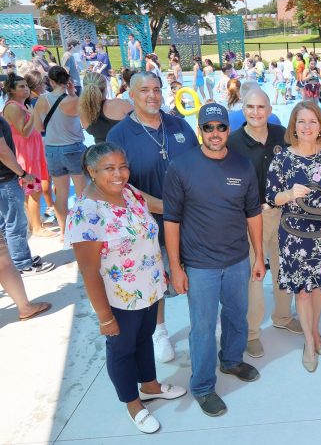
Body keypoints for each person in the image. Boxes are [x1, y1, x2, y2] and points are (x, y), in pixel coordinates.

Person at [66, 143, 186, 434]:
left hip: (149, 288)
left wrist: (198, 201)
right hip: (119, 298)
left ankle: (150, 385)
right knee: (121, 349)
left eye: (123, 166)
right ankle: (133, 403)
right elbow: (89, 270)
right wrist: (105, 317)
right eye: (109, 168)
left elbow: (157, 205)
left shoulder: (128, 192)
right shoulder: (86, 213)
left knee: (144, 339)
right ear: (91, 172)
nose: (119, 173)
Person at [164, 103, 265, 417]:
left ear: (227, 129)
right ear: (200, 130)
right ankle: (203, 386)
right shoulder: (181, 167)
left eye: (221, 127)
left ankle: (232, 360)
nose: (216, 133)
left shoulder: (242, 166)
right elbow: (171, 221)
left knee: (238, 315)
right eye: (208, 128)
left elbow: (253, 214)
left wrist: (259, 255)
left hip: (237, 259)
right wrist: (176, 267)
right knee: (203, 328)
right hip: (200, 265)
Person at [107, 71, 199, 364]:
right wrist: (163, 206)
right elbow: (118, 184)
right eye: (144, 90)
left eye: (157, 89)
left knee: (198, 273)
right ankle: (159, 331)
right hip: (148, 225)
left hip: (190, 220)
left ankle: (204, 320)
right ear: (131, 95)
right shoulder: (119, 135)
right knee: (156, 278)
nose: (152, 95)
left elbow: (199, 163)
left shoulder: (178, 124)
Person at [266, 101, 321, 372]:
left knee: (319, 288)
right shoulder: (283, 158)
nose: (307, 127)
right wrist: (290, 194)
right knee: (302, 293)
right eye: (302, 122)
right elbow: (272, 196)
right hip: (294, 237)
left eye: (313, 121)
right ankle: (310, 344)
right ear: (294, 126)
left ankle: (315, 331)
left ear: (320, 126)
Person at [228, 85, 302, 359]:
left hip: (283, 214)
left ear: (270, 110)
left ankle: (283, 316)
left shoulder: (282, 136)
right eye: (250, 107)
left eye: (261, 107)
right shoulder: (233, 142)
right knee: (254, 275)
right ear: (243, 109)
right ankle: (252, 333)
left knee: (284, 269)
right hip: (252, 218)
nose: (256, 112)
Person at [32, 66, 86, 239]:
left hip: (52, 149)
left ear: (51, 81)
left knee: (61, 193)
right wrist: (73, 94)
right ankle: (83, 228)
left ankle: (64, 231)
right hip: (73, 147)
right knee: (81, 192)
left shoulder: (42, 99)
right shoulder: (73, 100)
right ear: (67, 81)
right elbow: (85, 122)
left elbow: (38, 127)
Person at [2, 74, 55, 238]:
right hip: (25, 154)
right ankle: (37, 228)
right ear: (12, 90)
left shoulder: (21, 105)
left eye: (26, 86)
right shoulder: (13, 107)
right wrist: (33, 115)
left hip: (32, 152)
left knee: (32, 190)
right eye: (21, 87)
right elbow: (23, 132)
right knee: (33, 190)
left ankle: (35, 222)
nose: (26, 89)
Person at [79, 72, 134, 144]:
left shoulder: (83, 112)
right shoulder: (118, 104)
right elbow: (143, 122)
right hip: (125, 151)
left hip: (102, 152)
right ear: (105, 87)